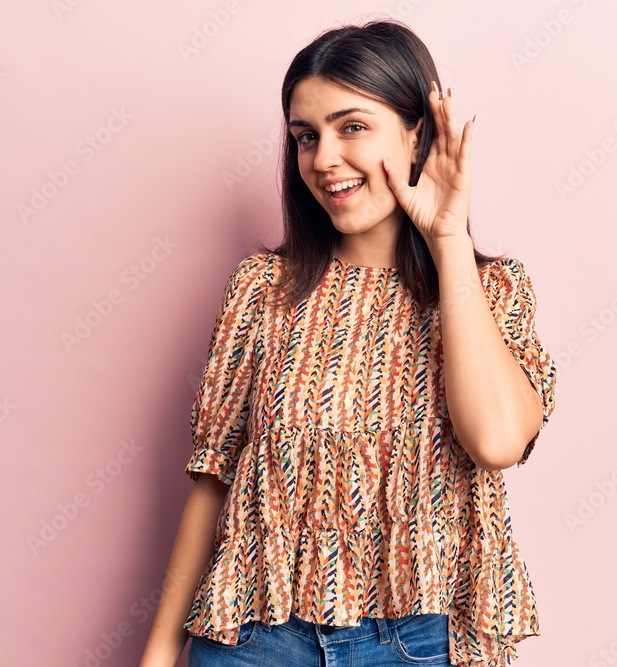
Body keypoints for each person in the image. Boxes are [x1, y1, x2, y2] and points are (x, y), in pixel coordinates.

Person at [139, 18, 557, 667]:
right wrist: (161, 650)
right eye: (306, 136)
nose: (324, 158)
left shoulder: (493, 291)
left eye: (352, 126)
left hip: (421, 643)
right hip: (256, 639)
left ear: (418, 133)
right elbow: (213, 480)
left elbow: (498, 440)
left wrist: (447, 242)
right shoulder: (262, 290)